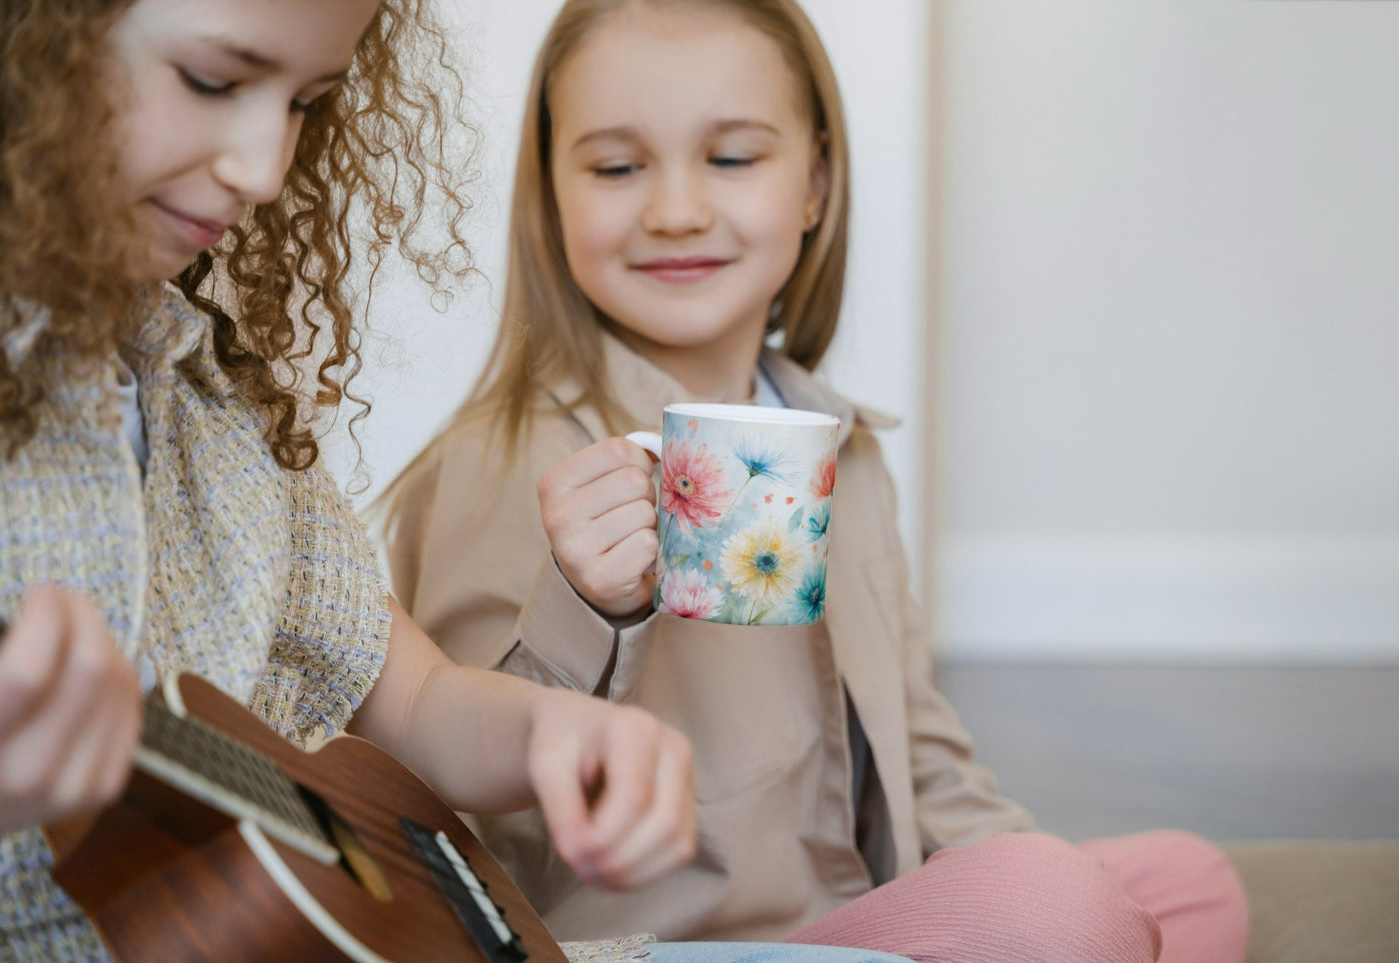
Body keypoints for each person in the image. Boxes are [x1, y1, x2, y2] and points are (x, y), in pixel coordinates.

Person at [0, 3, 910, 962]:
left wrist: (557, 730)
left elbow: (419, 702)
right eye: (212, 82)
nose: (263, 169)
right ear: (24, 48)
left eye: (307, 101)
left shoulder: (215, 406)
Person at [380, 1, 1251, 961]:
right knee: (1056, 905)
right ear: (551, 196)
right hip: (654, 947)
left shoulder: (849, 456)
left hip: (850, 921)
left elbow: (919, 748)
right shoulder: (501, 462)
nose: (675, 209)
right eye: (617, 167)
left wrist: (1034, 875)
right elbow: (449, 815)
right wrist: (582, 606)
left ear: (813, 186)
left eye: (733, 158)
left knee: (1177, 879)